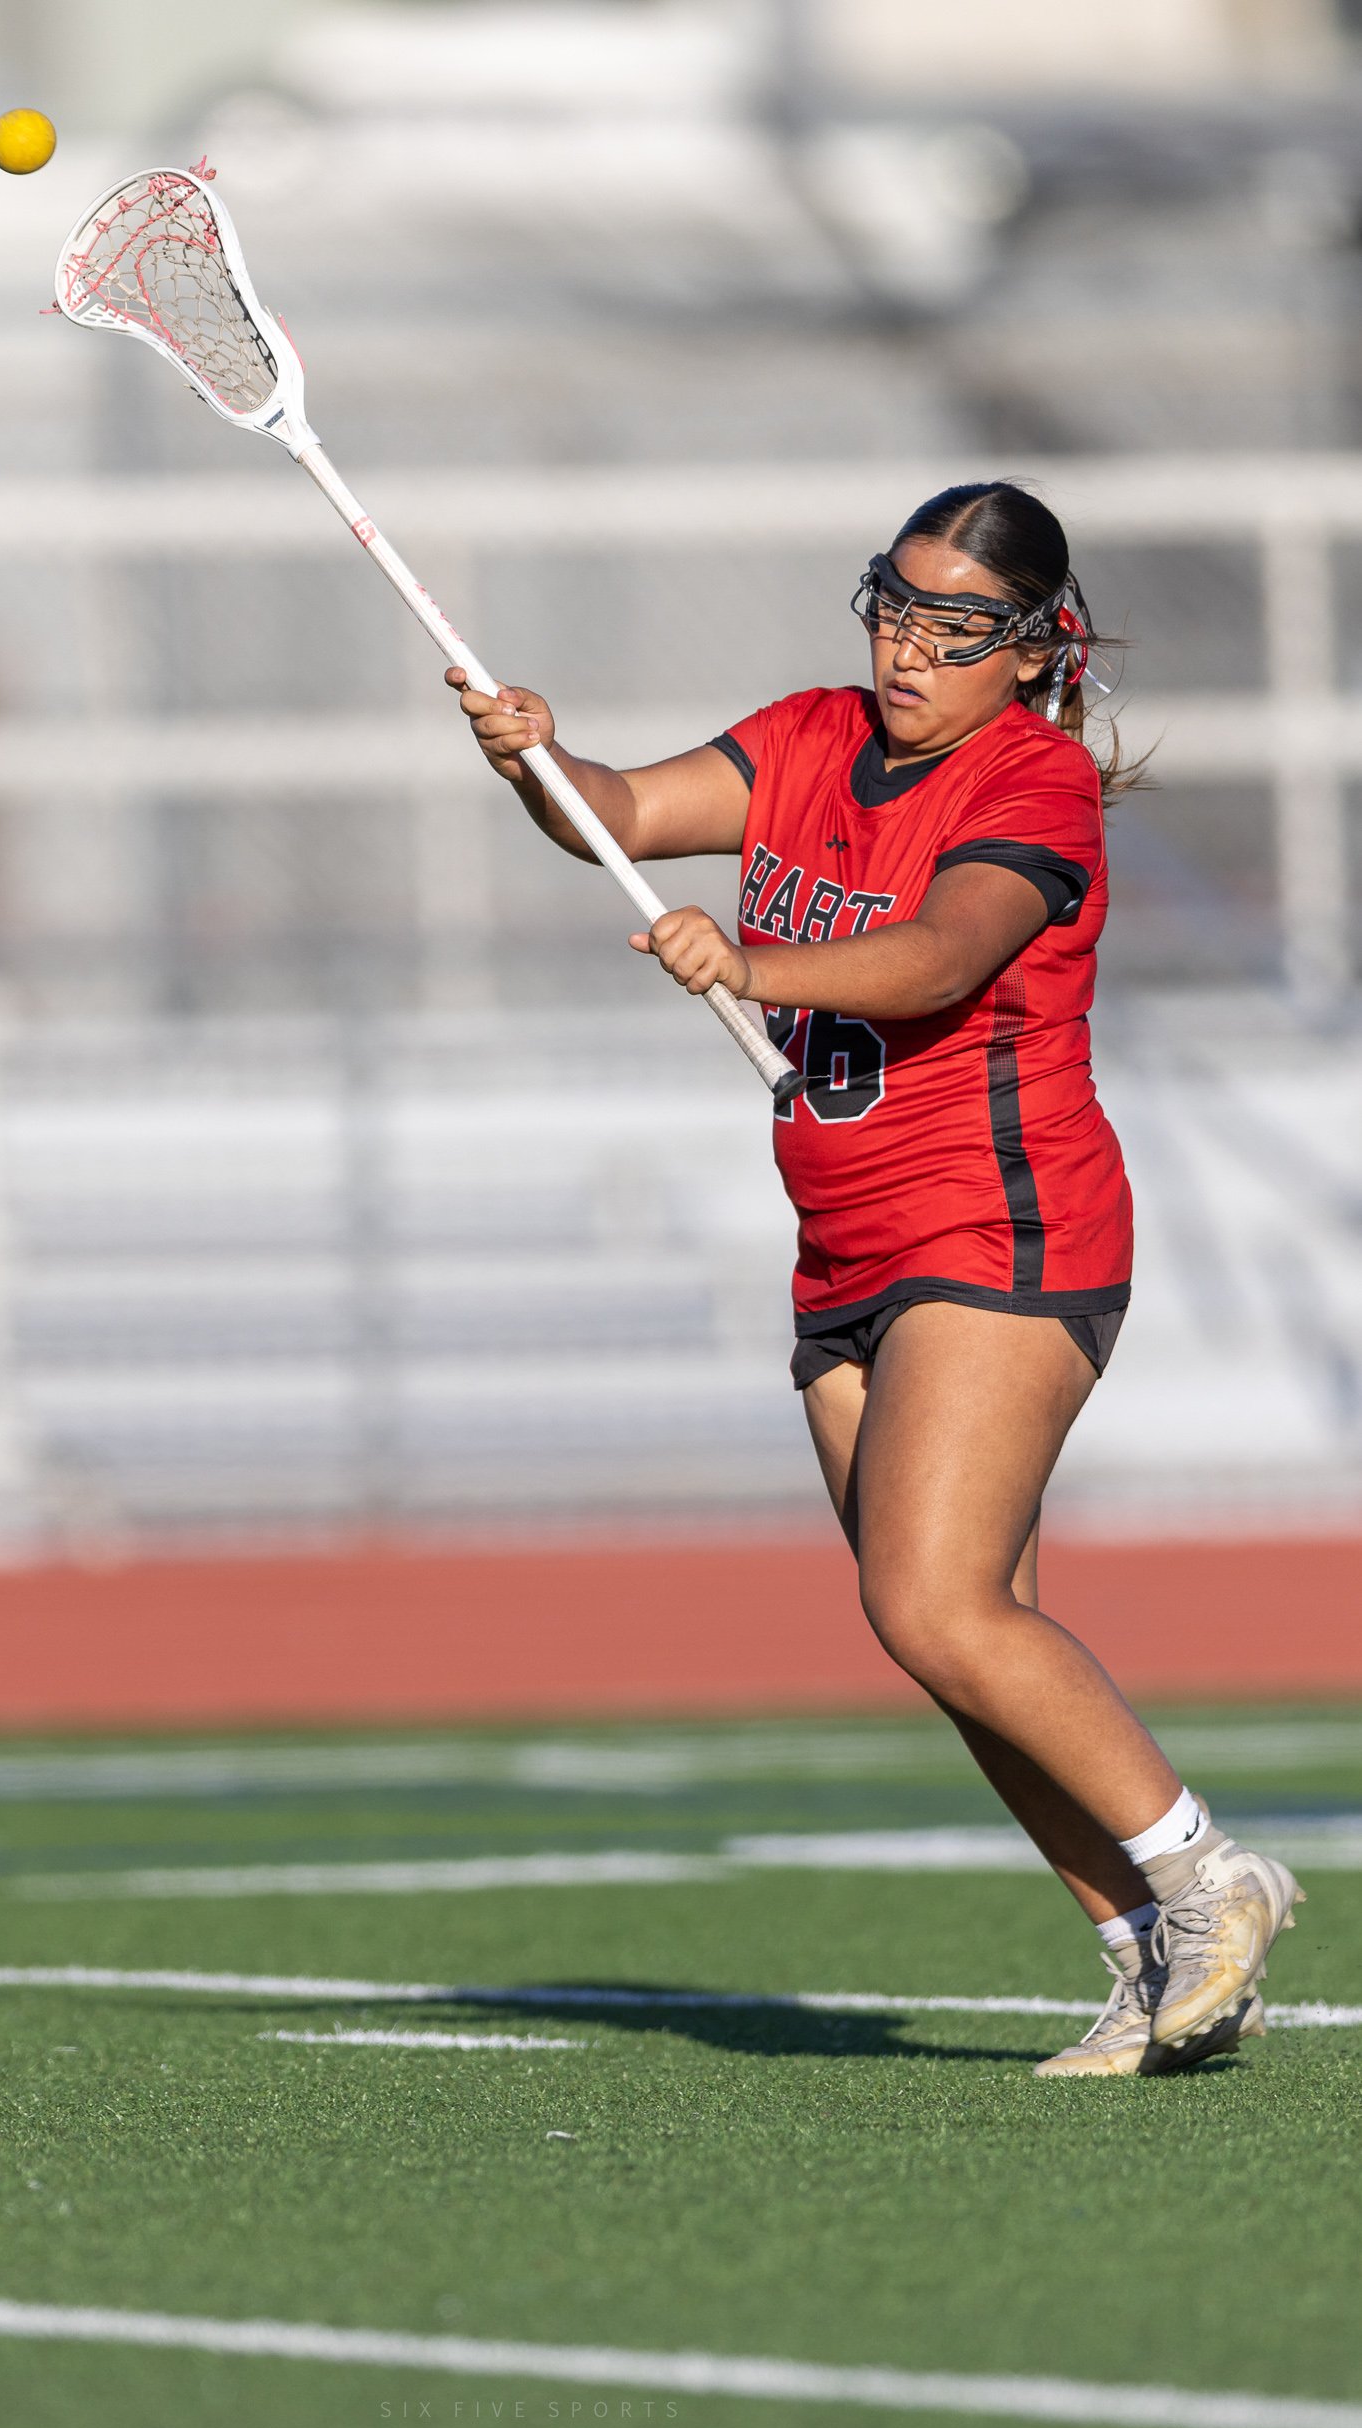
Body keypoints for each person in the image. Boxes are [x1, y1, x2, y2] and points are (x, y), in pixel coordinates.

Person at [448, 479, 1303, 2078]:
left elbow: (941, 955)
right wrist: (537, 762)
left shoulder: (1035, 783)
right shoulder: (809, 736)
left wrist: (751, 963)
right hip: (844, 1245)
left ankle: (1209, 1878)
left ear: (1034, 646)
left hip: (997, 1229)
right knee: (960, 1638)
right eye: (896, 607)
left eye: (957, 626)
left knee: (934, 1600)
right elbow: (615, 813)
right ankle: (1142, 1953)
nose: (910, 648)